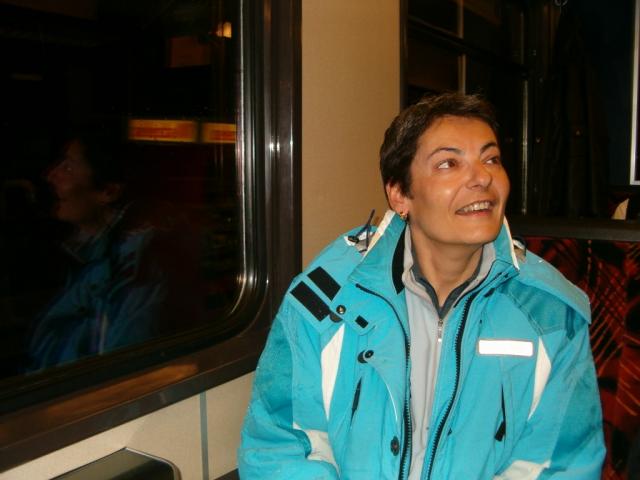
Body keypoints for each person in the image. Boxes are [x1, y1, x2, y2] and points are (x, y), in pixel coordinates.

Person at [238, 93, 605, 479]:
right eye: (449, 163)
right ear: (400, 195)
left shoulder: (549, 314)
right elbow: (280, 444)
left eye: (491, 159)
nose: (482, 177)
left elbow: (562, 463)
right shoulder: (326, 299)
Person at [28, 125, 201, 370]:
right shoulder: (84, 254)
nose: (51, 176)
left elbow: (119, 365)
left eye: (68, 168)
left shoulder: (140, 263)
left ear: (108, 191)